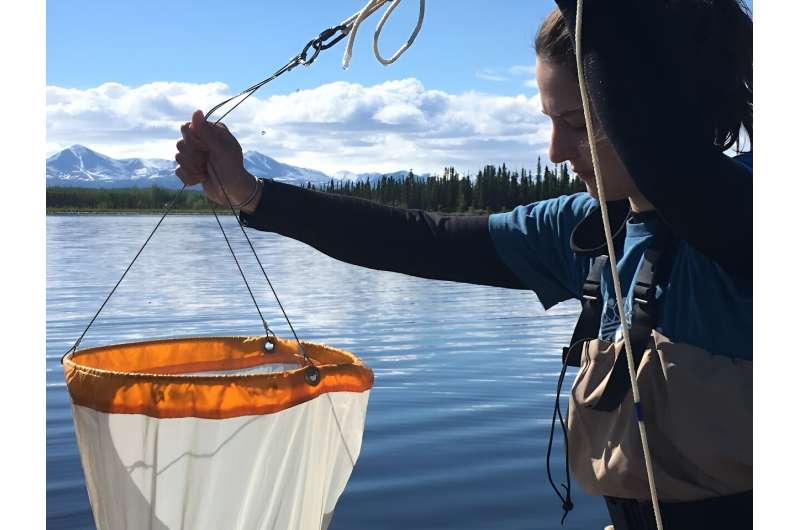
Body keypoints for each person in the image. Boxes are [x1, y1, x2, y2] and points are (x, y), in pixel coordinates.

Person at [175, 1, 753, 528]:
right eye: (551, 123)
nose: (554, 151)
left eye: (579, 124)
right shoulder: (587, 228)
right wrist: (252, 194)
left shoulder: (755, 220)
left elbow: (677, 171)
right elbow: (423, 240)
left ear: (658, 108)